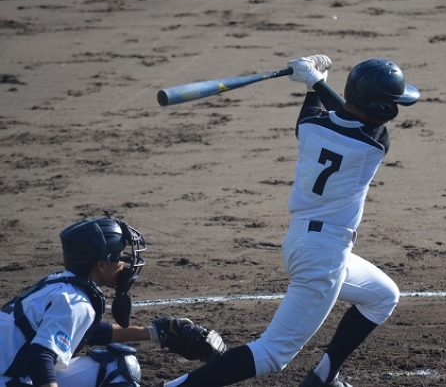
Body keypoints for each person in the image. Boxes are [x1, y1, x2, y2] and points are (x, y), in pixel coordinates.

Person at [160, 55, 420, 387]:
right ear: (381, 108)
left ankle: (324, 377)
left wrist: (313, 82)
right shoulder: (373, 144)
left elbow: (329, 111)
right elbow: (348, 114)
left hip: (302, 244)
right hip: (324, 256)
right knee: (272, 353)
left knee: (383, 296)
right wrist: (314, 81)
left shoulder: (310, 126)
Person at [1, 213, 226, 387]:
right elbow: (40, 356)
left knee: (111, 363)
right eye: (118, 256)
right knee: (120, 366)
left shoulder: (58, 284)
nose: (124, 263)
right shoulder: (75, 302)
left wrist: (152, 333)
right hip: (11, 379)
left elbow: (89, 331)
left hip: (9, 372)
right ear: (101, 265)